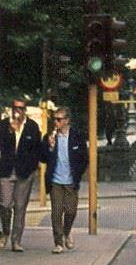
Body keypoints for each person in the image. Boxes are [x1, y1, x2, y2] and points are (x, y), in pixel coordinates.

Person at [42, 107, 88, 254]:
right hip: (55, 181)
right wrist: (49, 147)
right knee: (56, 212)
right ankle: (58, 243)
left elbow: (84, 158)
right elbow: (43, 158)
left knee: (71, 211)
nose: (56, 122)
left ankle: (66, 232)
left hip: (71, 181)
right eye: (54, 119)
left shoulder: (76, 136)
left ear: (67, 120)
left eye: (59, 119)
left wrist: (78, 174)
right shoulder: (50, 137)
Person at [0, 100, 43, 251]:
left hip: (25, 173)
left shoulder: (32, 127)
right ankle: (5, 232)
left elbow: (37, 149)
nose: (17, 111)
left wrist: (32, 168)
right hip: (6, 171)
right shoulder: (4, 125)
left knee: (20, 207)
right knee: (5, 204)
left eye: (20, 109)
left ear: (25, 110)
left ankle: (16, 241)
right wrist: (11, 130)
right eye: (14, 108)